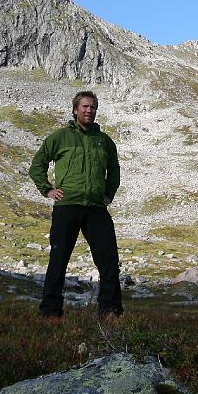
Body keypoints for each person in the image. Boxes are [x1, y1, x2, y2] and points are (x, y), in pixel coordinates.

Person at [29, 90, 123, 319]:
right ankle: (50, 313)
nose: (89, 110)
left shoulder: (105, 141)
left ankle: (110, 313)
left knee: (109, 261)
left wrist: (108, 195)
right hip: (67, 205)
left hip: (95, 208)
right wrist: (47, 189)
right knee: (59, 259)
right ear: (75, 110)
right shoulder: (60, 137)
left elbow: (115, 171)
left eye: (93, 107)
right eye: (85, 107)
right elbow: (37, 165)